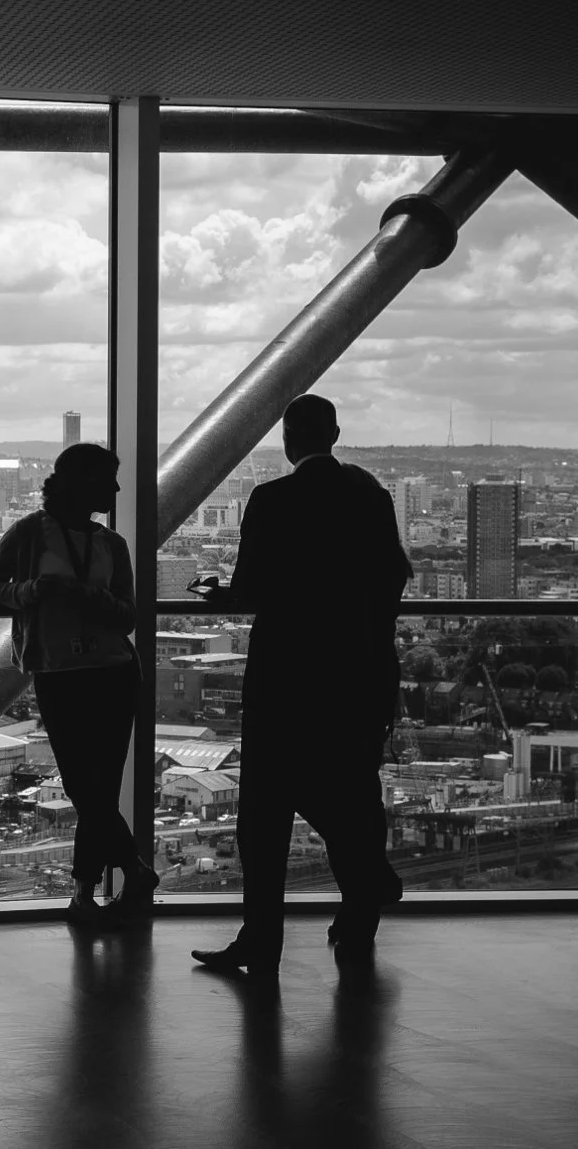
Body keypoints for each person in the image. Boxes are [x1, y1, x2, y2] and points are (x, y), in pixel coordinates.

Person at [191, 394, 411, 976]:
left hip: (287, 674)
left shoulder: (273, 499)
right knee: (353, 788)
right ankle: (361, 909)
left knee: (265, 812)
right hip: (358, 672)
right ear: (335, 434)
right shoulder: (373, 499)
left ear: (289, 440)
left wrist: (221, 596)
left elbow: (254, 590)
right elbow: (392, 578)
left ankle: (262, 940)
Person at [0, 443, 159, 926]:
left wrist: (79, 596)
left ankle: (87, 892)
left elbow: (127, 616)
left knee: (93, 788)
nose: (117, 489)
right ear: (82, 483)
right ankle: (130, 871)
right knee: (89, 788)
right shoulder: (29, 535)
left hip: (110, 673)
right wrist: (32, 591)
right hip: (68, 673)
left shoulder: (111, 545)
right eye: (108, 480)